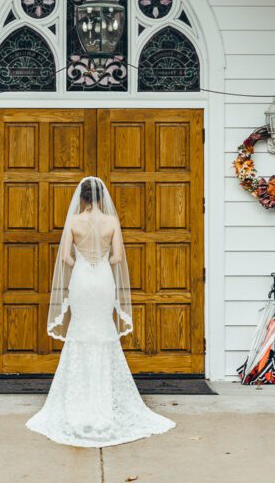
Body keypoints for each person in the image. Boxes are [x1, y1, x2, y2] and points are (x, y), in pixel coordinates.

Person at [26, 175, 175, 446]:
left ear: (81, 198)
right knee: (104, 333)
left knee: (80, 333)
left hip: (82, 280)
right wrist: (101, 260)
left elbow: (64, 258)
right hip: (103, 280)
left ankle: (77, 402)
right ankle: (103, 404)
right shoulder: (111, 222)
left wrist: (82, 262)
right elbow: (118, 257)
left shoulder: (73, 222)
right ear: (101, 197)